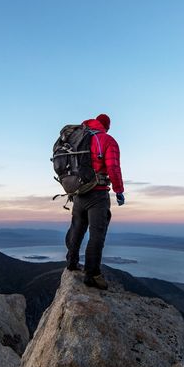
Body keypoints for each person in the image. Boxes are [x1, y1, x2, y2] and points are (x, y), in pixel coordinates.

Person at [65, 113, 124, 289]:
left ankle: (71, 262)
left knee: (77, 228)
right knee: (97, 235)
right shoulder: (107, 140)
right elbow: (113, 167)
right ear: (107, 126)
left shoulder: (78, 137)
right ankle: (92, 274)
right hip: (97, 195)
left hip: (78, 193)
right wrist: (119, 190)